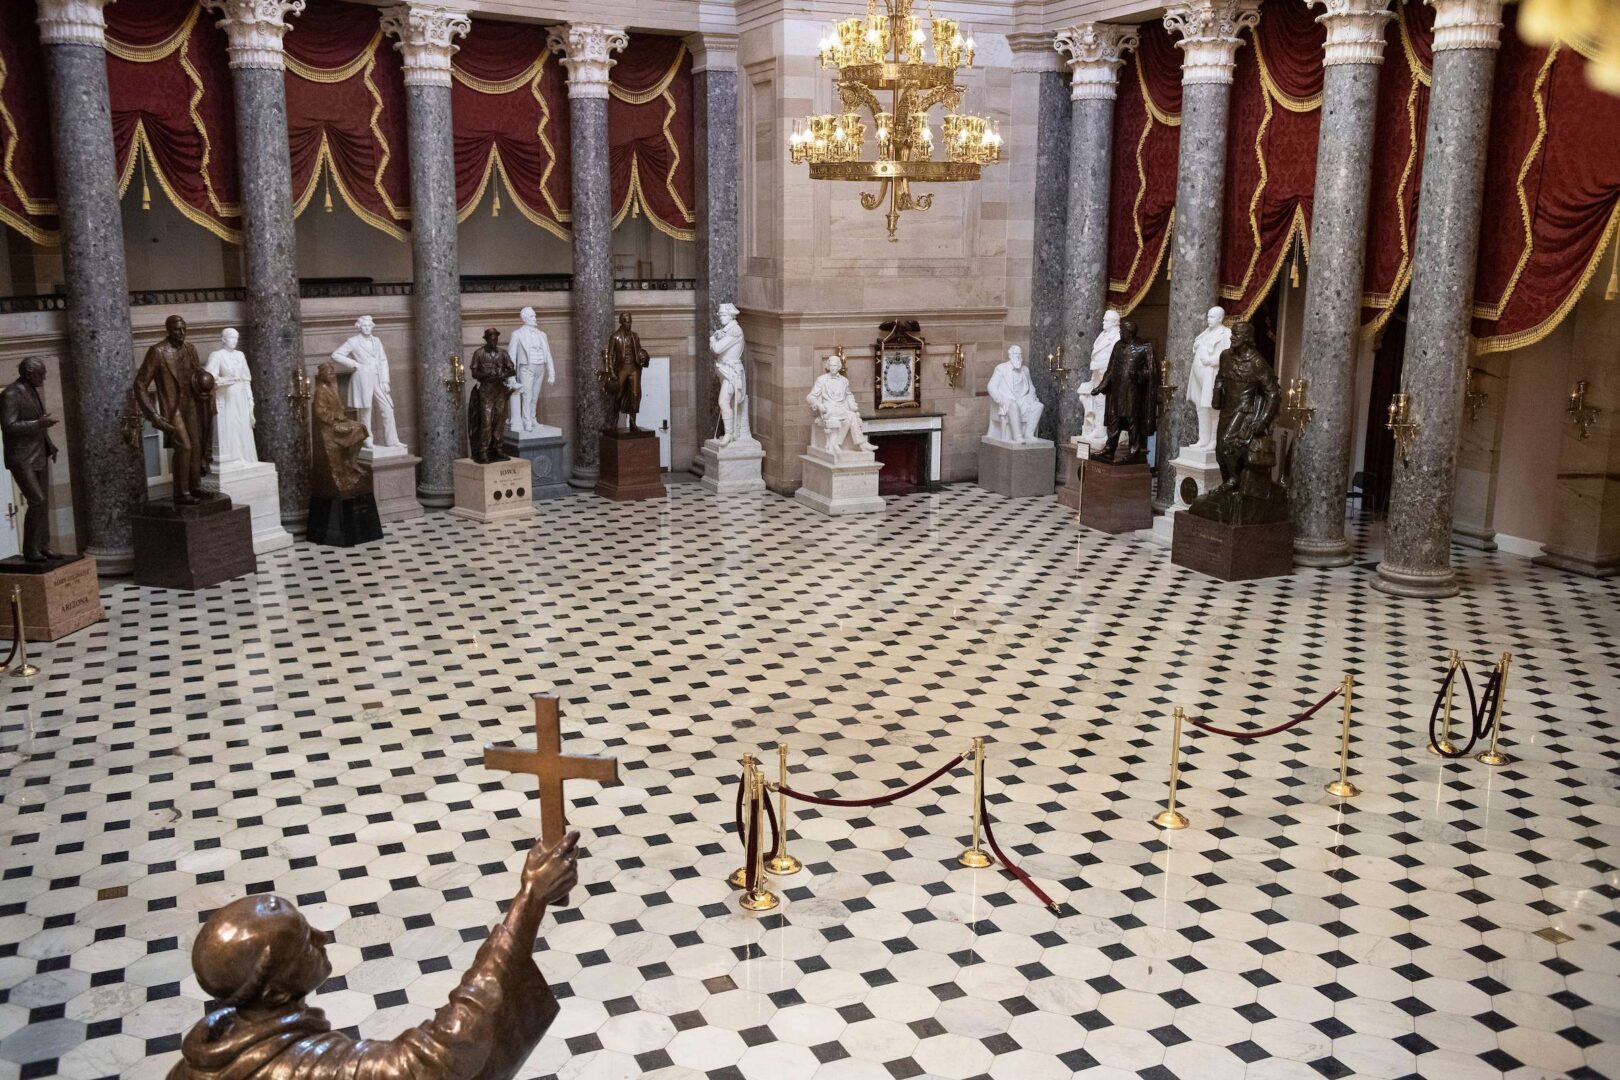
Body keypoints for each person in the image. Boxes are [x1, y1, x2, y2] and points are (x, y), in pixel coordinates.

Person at [166, 832, 579, 1080]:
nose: (324, 935)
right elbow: (442, 1056)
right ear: (275, 994)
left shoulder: (196, 1063)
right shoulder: (310, 1070)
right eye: (306, 943)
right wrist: (529, 901)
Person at [135, 314, 214, 505]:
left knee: (196, 447)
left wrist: (205, 381)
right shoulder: (158, 352)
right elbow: (140, 384)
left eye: (184, 329)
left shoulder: (190, 349)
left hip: (193, 404)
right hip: (174, 408)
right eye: (178, 329)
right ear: (169, 330)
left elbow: (196, 372)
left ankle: (195, 486)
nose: (182, 333)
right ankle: (181, 492)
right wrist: (153, 415)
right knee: (185, 447)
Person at [0, 358, 60, 562]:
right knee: (37, 500)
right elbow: (9, 426)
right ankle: (30, 549)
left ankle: (43, 545)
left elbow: (38, 426)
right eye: (40, 374)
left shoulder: (32, 389)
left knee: (43, 503)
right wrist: (38, 423)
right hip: (21, 457)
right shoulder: (10, 394)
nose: (44, 377)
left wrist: (49, 446)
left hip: (39, 453)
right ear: (28, 373)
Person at [330, 316, 401, 453]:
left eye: (370, 325)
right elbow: (336, 355)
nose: (367, 328)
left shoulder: (377, 341)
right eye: (365, 326)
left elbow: (383, 361)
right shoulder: (353, 341)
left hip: (378, 378)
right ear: (359, 327)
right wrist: (355, 364)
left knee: (388, 408)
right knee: (365, 411)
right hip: (363, 378)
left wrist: (385, 381)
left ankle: (392, 440)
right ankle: (367, 439)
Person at [1092, 318, 1158, 465]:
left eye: (1122, 331)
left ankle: (1134, 451)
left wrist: (1139, 375)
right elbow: (1110, 370)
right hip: (1117, 391)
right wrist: (1100, 387)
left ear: (1130, 332)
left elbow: (1152, 372)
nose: (1120, 333)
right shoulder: (1118, 346)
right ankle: (1109, 449)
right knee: (1113, 421)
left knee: (1133, 421)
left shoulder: (1144, 347)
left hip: (1133, 393)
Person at [310, 362, 369, 500]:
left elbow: (338, 407)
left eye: (333, 372)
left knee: (362, 429)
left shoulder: (332, 387)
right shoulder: (321, 390)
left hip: (339, 423)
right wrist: (336, 417)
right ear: (323, 375)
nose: (332, 375)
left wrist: (342, 416)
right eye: (329, 373)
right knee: (357, 430)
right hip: (330, 429)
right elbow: (320, 413)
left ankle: (352, 461)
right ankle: (348, 466)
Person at [205, 328, 258, 466]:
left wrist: (250, 404)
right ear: (223, 339)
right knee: (231, 426)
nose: (234, 341)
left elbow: (246, 380)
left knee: (243, 426)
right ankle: (233, 459)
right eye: (231, 338)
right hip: (227, 395)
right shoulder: (217, 355)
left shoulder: (240, 355)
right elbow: (209, 378)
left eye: (236, 338)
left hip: (241, 395)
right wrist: (225, 380)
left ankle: (245, 458)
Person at [806, 353, 876, 458]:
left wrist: (853, 406)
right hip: (828, 409)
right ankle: (858, 444)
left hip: (841, 408)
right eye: (831, 365)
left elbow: (849, 395)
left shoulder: (844, 381)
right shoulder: (822, 380)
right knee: (850, 417)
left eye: (835, 366)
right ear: (828, 366)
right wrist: (819, 405)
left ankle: (843, 444)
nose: (833, 368)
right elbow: (810, 397)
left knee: (850, 418)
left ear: (839, 367)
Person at [468, 328, 518, 464]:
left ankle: (498, 448)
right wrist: (486, 375)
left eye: (496, 339)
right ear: (486, 339)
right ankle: (483, 450)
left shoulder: (503, 353)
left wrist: (504, 374)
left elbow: (512, 369)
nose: (494, 341)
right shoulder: (479, 353)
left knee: (500, 421)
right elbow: (474, 373)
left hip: (500, 391)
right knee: (486, 421)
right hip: (486, 391)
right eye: (491, 339)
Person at [1187, 306, 1230, 452]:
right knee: (1201, 407)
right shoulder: (1205, 333)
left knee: (1213, 409)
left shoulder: (1226, 333)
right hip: (1199, 376)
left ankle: (1213, 440)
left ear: (1220, 318)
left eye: (1212, 317)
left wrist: (1212, 360)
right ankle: (1203, 439)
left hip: (1212, 375)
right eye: (1208, 317)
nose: (1209, 320)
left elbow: (1229, 356)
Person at [710, 303, 752, 446]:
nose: (720, 317)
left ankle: (729, 434)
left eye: (723, 315)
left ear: (730, 316)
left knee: (723, 401)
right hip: (725, 370)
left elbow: (717, 348)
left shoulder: (735, 331)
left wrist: (713, 338)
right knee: (726, 402)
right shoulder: (728, 330)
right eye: (720, 315)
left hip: (732, 373)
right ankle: (731, 433)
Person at [508, 307, 554, 435]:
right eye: (532, 316)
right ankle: (526, 420)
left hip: (540, 367)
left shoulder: (542, 334)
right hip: (526, 367)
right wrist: (511, 376)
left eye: (535, 316)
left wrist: (551, 373)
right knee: (527, 396)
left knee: (535, 395)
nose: (535, 319)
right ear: (525, 318)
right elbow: (511, 356)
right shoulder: (517, 334)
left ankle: (533, 418)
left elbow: (548, 354)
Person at [986, 345, 1044, 444]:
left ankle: (1028, 434)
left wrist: (1031, 397)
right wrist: (1001, 400)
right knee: (1013, 405)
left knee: (1039, 406)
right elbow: (991, 387)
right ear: (1010, 355)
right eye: (1016, 354)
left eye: (1020, 354)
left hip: (1023, 400)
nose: (1019, 357)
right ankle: (1018, 436)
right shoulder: (1001, 368)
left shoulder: (1025, 370)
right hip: (1008, 400)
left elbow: (1031, 388)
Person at [1079, 310, 1121, 445]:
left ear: (1114, 322)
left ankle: (1105, 429)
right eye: (1104, 320)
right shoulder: (1103, 334)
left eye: (1106, 320)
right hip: (1098, 370)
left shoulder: (1117, 337)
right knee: (1098, 400)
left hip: (1109, 372)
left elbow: (1117, 357)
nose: (1103, 322)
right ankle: (1099, 428)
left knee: (1106, 402)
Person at [606, 313, 651, 431]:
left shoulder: (635, 336)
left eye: (630, 322)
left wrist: (644, 356)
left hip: (634, 368)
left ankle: (632, 422)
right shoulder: (615, 337)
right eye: (626, 322)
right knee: (618, 394)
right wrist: (611, 372)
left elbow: (639, 350)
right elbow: (610, 355)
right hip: (621, 369)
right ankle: (613, 420)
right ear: (621, 322)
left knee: (635, 394)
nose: (629, 324)